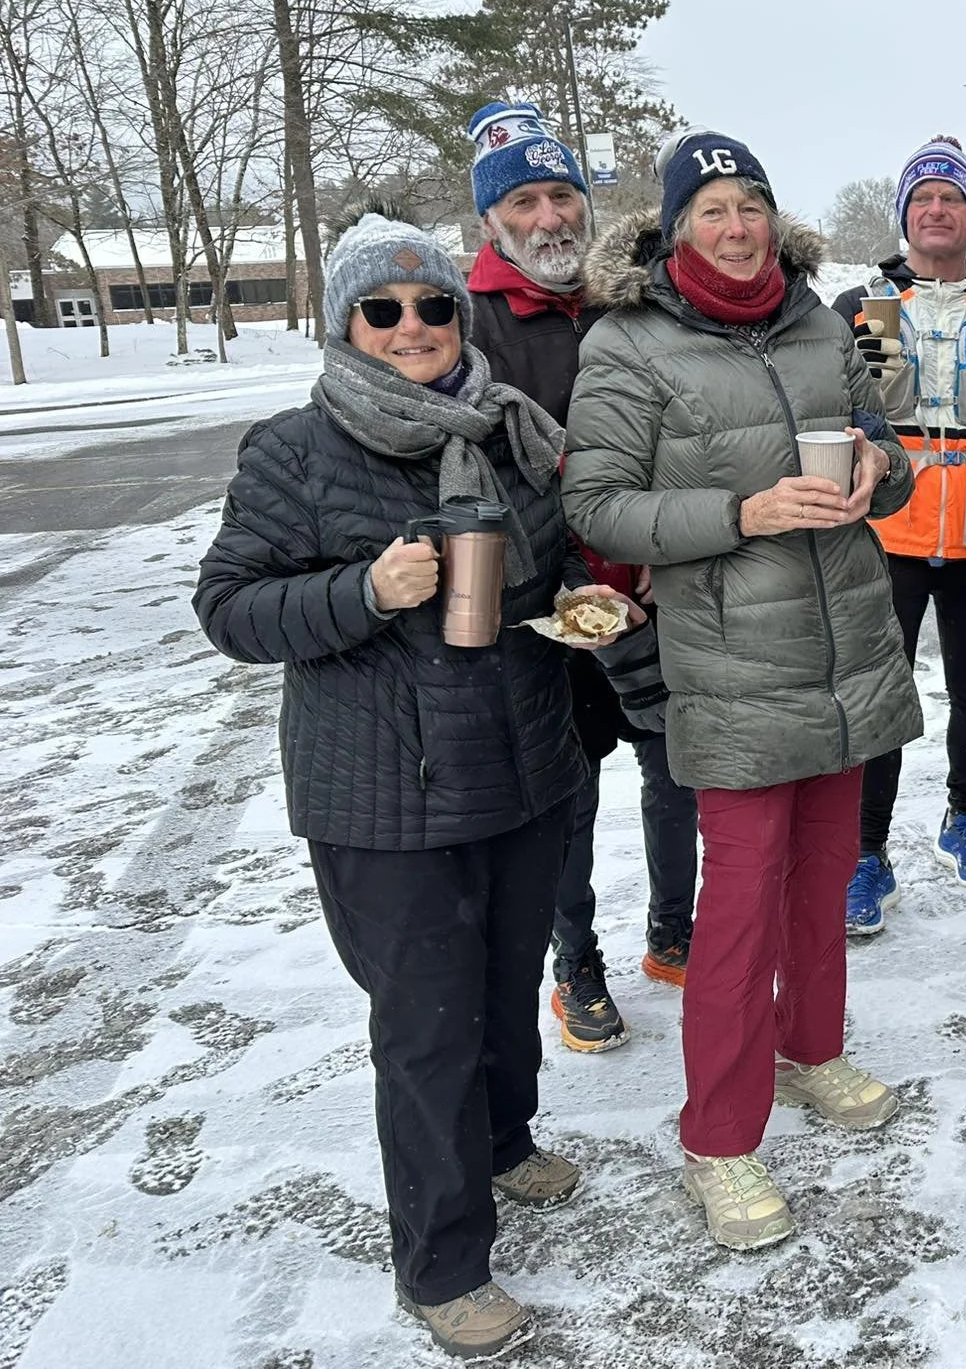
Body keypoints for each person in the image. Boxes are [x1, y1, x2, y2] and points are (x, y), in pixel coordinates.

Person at [193, 210, 641, 1357]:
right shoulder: (292, 451)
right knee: (428, 1024)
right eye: (380, 311)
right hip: (384, 795)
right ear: (346, 326)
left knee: (501, 986)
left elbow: (557, 566)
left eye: (434, 306)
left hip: (522, 763)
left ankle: (505, 1143)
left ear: (461, 316)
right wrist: (361, 592)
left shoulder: (506, 433)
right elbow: (231, 611)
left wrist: (589, 609)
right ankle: (443, 1263)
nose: (412, 328)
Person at [562, 132, 922, 1250]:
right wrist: (738, 516)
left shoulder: (819, 320)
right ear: (675, 229)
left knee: (824, 880)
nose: (735, 226)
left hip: (846, 642)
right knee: (736, 912)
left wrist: (879, 466)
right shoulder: (627, 342)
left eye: (751, 205)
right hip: (730, 659)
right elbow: (598, 505)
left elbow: (883, 442)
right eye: (711, 208)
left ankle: (810, 1050)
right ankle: (717, 1142)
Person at [465, 100, 699, 1054]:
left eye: (564, 193)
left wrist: (654, 552)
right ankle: (577, 965)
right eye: (525, 198)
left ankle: (673, 927)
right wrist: (545, 581)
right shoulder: (463, 319)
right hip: (541, 609)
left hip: (646, 585)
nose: (551, 216)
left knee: (674, 764)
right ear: (492, 219)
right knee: (566, 794)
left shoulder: (624, 305)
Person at [829, 136, 966, 933]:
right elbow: (840, 411)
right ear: (905, 216)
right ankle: (867, 852)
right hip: (889, 534)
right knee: (882, 696)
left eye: (952, 198)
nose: (937, 210)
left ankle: (963, 816)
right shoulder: (865, 310)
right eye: (923, 199)